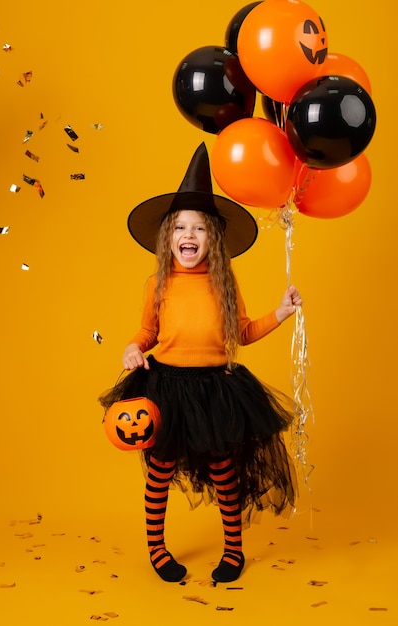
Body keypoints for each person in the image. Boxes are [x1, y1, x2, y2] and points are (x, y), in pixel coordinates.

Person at [99, 142, 302, 584]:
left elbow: (242, 332)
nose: (188, 236)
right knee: (160, 470)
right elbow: (147, 332)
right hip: (166, 387)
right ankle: (156, 547)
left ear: (214, 238)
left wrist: (281, 313)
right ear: (167, 236)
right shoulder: (159, 283)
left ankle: (234, 549)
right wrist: (133, 348)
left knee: (224, 470)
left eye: (199, 229)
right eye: (180, 228)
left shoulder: (224, 281)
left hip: (214, 388)